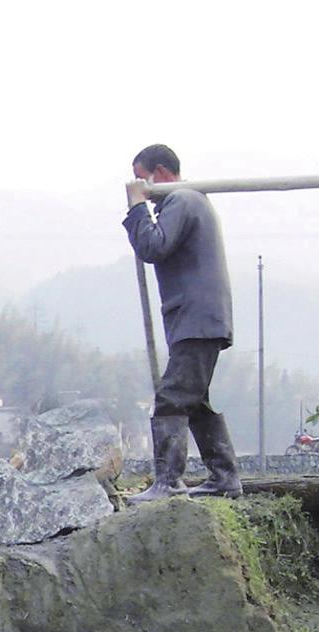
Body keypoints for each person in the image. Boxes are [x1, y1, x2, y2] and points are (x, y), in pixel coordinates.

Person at [123, 144, 241, 500]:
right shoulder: (190, 201)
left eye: (140, 176)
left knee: (172, 398)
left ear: (158, 174)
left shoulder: (183, 199)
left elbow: (153, 246)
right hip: (199, 318)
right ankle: (224, 477)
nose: (138, 184)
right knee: (194, 400)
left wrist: (137, 207)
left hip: (197, 319)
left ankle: (168, 481)